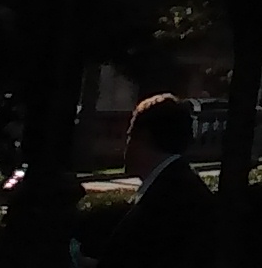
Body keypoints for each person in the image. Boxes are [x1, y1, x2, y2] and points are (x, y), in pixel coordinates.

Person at [88, 93, 213, 268]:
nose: (125, 146)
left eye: (129, 135)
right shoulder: (181, 186)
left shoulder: (166, 201)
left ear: (143, 137)